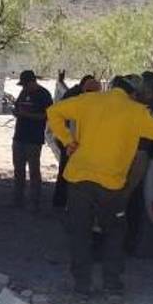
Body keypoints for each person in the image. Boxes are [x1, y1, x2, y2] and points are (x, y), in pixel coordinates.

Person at [47, 74, 153, 296]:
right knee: (114, 232)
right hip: (110, 185)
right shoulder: (136, 112)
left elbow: (53, 111)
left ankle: (82, 286)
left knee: (80, 232)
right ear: (134, 93)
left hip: (78, 178)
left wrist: (68, 141)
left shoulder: (88, 100)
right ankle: (111, 284)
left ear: (114, 86)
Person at [52, 75, 100, 208]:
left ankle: (61, 202)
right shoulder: (79, 101)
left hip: (69, 139)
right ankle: (66, 202)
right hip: (73, 142)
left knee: (66, 171)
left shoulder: (75, 97)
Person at [12, 69, 53, 209]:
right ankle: (18, 199)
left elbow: (47, 116)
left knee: (34, 171)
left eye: (25, 84)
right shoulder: (23, 93)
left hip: (34, 139)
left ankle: (35, 201)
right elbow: (18, 106)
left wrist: (27, 115)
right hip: (19, 136)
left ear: (32, 82)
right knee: (18, 169)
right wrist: (17, 112)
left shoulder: (44, 95)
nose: (24, 87)